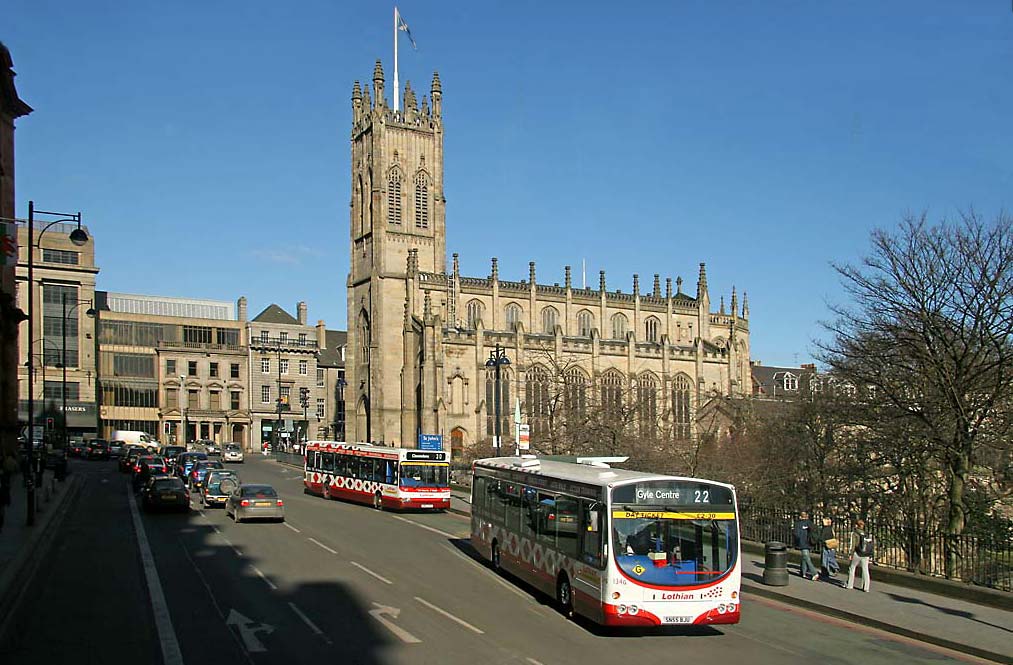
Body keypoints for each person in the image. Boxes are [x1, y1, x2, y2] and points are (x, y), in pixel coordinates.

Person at [845, 518, 874, 592]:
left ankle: (850, 584)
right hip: (866, 554)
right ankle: (866, 587)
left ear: (856, 525)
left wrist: (850, 553)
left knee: (852, 568)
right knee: (865, 569)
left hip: (857, 553)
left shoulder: (854, 533)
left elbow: (853, 544)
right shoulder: (866, 533)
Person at [794, 510, 819, 580]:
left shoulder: (798, 524)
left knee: (806, 557)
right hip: (809, 542)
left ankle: (814, 573)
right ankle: (803, 572)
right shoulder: (810, 523)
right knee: (805, 557)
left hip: (803, 542)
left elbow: (796, 534)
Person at [817, 516, 839, 582]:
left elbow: (821, 537)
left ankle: (826, 572)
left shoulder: (825, 529)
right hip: (832, 544)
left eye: (823, 521)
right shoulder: (831, 528)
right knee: (831, 557)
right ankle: (834, 568)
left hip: (826, 545)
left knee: (825, 558)